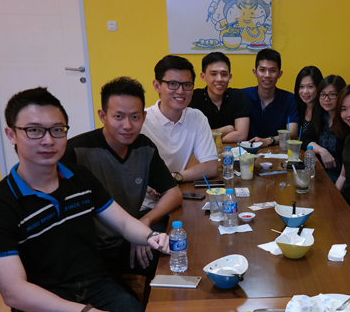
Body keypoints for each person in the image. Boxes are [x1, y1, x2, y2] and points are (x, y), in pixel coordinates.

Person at [0, 87, 170, 312]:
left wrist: (150, 237)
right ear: (11, 134)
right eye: (34, 130)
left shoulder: (79, 176)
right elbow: (13, 291)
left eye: (57, 130)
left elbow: (123, 223)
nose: (48, 140)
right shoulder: (1, 203)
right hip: (42, 300)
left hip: (96, 283)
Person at [62, 77, 182, 290]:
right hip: (91, 253)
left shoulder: (144, 148)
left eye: (135, 117)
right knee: (127, 304)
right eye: (118, 116)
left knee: (177, 258)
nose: (128, 125)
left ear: (144, 117)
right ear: (103, 116)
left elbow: (173, 193)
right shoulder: (76, 152)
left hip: (128, 238)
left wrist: (144, 223)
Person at [142, 55, 218, 185]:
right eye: (173, 84)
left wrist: (173, 178)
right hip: (144, 195)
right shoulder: (141, 120)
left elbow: (211, 167)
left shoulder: (197, 117)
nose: (181, 91)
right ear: (157, 86)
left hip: (175, 190)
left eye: (187, 85)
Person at [188, 52, 250, 143]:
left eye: (224, 74)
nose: (219, 79)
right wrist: (223, 130)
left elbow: (241, 135)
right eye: (213, 74)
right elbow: (191, 136)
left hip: (232, 151)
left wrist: (213, 138)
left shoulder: (238, 96)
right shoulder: (193, 97)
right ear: (203, 76)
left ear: (230, 77)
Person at [243, 49, 298, 147]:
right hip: (247, 152)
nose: (267, 75)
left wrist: (269, 140)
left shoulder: (290, 99)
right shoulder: (243, 96)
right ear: (255, 72)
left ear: (279, 74)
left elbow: (292, 132)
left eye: (272, 70)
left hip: (278, 152)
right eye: (262, 70)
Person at [301, 75, 347, 183]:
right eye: (322, 94)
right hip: (320, 175)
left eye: (332, 94)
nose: (326, 99)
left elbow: (348, 162)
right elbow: (305, 138)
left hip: (341, 180)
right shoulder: (321, 116)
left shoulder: (346, 120)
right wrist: (321, 150)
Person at [294, 66, 323, 137]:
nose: (305, 91)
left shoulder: (325, 110)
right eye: (301, 87)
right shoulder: (296, 107)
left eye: (310, 86)